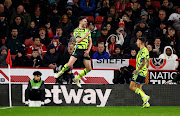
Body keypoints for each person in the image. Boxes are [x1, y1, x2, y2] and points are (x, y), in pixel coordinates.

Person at [54, 17, 92, 88]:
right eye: (85, 21)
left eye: (86, 21)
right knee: (69, 64)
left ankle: (77, 78)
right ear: (80, 22)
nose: (86, 23)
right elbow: (77, 40)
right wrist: (85, 36)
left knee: (89, 68)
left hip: (85, 51)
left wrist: (88, 50)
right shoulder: (76, 30)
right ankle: (60, 73)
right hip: (78, 49)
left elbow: (90, 41)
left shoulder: (88, 30)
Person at [129, 37, 150, 108]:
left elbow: (143, 62)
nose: (136, 42)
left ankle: (145, 96)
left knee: (132, 86)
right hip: (143, 72)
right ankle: (146, 103)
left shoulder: (143, 50)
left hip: (140, 72)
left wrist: (138, 70)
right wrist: (146, 68)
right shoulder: (143, 50)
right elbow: (148, 61)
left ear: (140, 41)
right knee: (139, 87)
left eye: (137, 41)